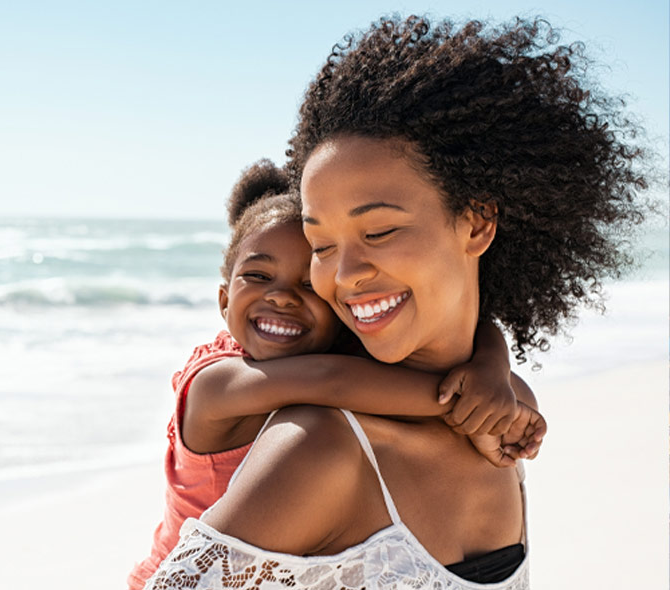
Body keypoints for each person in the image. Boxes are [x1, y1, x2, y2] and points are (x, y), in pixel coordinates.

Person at [145, 15, 651, 589]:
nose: (345, 273)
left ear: (478, 223)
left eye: (379, 231)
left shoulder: (499, 415)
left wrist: (491, 369)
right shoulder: (319, 447)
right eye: (322, 244)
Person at [125, 160, 544, 589]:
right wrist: (472, 405)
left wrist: (490, 367)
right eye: (257, 275)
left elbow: (469, 332)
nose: (282, 297)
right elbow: (331, 379)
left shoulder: (328, 352)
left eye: (308, 283)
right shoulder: (216, 383)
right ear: (223, 300)